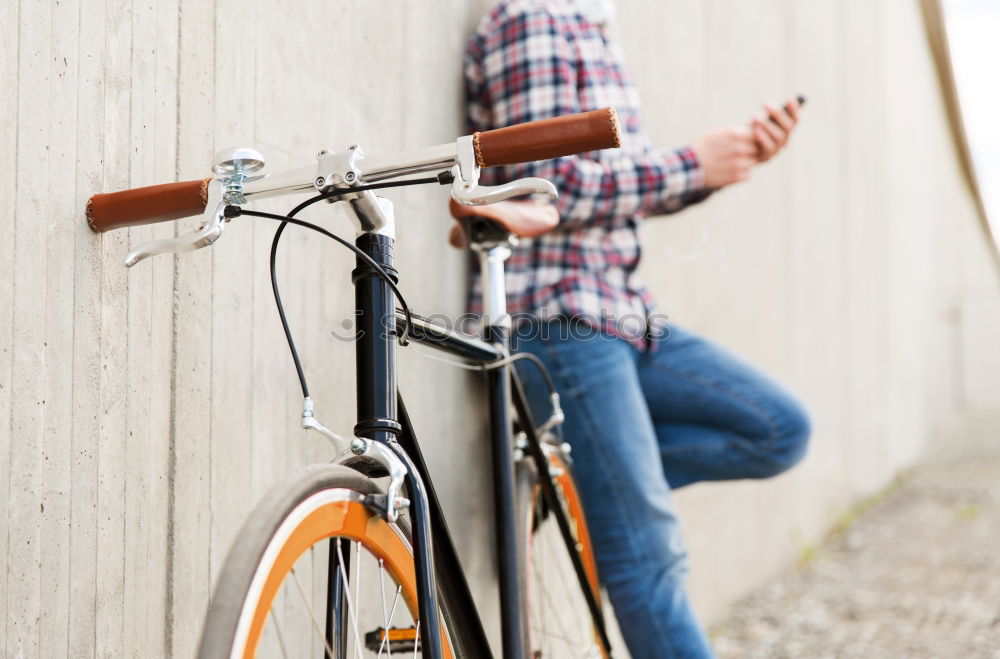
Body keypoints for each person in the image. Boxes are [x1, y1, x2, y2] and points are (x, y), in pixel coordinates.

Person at [462, 1, 811, 657]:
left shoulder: (590, 24)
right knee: (649, 562)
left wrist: (726, 161)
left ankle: (591, 482)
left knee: (778, 428)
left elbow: (616, 190)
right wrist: (688, 163)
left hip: (620, 314)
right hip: (558, 322)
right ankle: (609, 488)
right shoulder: (534, 19)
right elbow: (547, 187)